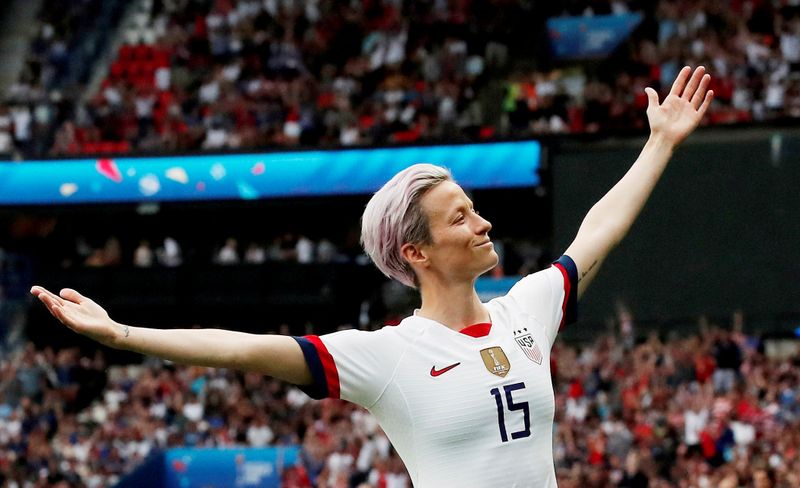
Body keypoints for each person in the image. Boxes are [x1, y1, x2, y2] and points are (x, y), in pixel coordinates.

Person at [31, 66, 714, 487]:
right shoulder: (387, 357)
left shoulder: (526, 309)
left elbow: (599, 230)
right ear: (416, 253)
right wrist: (122, 333)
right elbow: (243, 347)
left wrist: (659, 144)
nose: (483, 226)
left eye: (475, 211)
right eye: (459, 219)